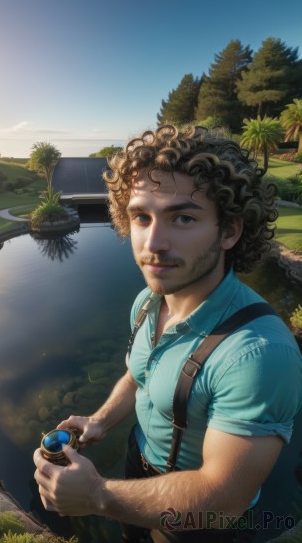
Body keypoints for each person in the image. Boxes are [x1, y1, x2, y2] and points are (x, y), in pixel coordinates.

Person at [33, 125, 302, 542]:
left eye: (183, 217)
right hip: (137, 464)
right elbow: (138, 374)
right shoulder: (147, 303)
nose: (153, 243)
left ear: (229, 231)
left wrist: (97, 495)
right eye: (141, 216)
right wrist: (101, 420)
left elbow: (223, 497)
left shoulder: (259, 354)